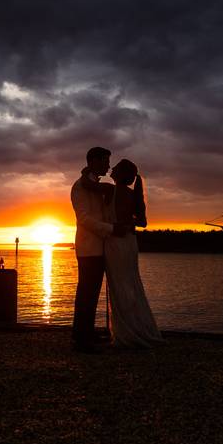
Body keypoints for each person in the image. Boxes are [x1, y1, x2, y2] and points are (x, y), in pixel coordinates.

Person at [69, 147, 131, 354]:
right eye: (105, 161)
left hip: (102, 246)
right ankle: (81, 338)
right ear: (93, 161)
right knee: (86, 293)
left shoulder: (94, 185)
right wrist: (112, 229)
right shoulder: (80, 187)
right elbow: (84, 219)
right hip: (88, 248)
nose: (108, 165)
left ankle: (86, 332)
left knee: (92, 293)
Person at [103, 159, 165, 348]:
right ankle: (135, 328)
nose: (111, 169)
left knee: (118, 286)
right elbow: (143, 222)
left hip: (115, 242)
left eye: (115, 168)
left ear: (120, 174)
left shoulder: (108, 190)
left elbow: (87, 185)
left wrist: (84, 172)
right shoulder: (133, 194)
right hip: (130, 243)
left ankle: (124, 333)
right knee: (131, 284)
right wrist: (129, 224)